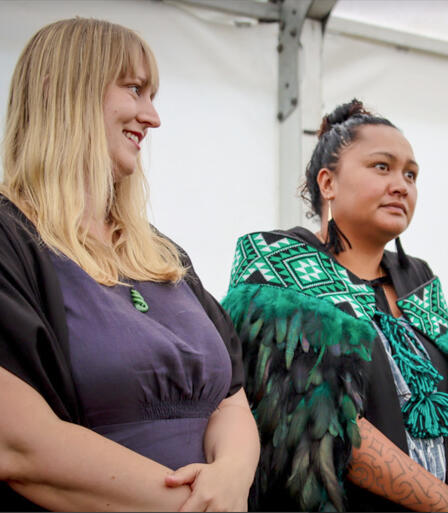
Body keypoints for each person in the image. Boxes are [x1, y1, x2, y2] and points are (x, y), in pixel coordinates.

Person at [0, 18, 259, 511]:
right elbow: (18, 445)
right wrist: (202, 506)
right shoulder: (10, 240)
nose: (153, 117)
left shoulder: (162, 252)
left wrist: (231, 474)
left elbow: (231, 396)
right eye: (136, 90)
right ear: (65, 90)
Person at [221, 99, 448, 512]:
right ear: (328, 183)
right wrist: (443, 503)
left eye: (411, 174)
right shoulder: (276, 265)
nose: (402, 185)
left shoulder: (418, 280)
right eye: (381, 167)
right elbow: (317, 418)